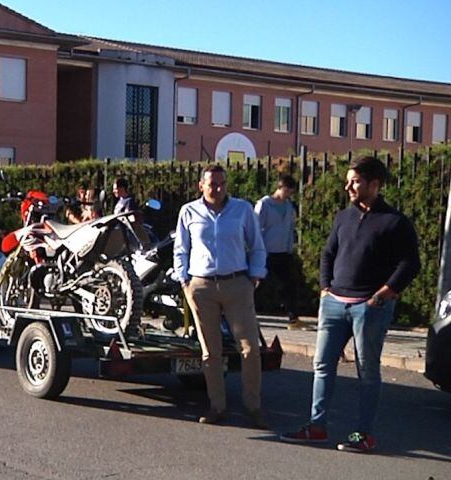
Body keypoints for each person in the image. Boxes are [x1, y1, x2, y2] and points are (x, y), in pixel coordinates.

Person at [280, 156, 420, 453]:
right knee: (322, 365)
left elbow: (410, 263)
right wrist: (324, 289)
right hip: (333, 304)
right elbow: (328, 253)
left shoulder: (395, 222)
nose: (348, 187)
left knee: (367, 370)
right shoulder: (343, 217)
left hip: (368, 307)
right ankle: (316, 427)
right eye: (348, 181)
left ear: (375, 184)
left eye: (355, 181)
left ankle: (363, 434)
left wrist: (383, 294)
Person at [174, 165, 268, 427]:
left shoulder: (242, 209)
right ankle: (217, 406)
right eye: (212, 184)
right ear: (201, 185)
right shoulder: (189, 211)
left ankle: (254, 406)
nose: (217, 188)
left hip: (237, 283)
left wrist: (255, 276)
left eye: (221, 184)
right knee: (210, 352)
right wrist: (184, 281)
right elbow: (181, 249)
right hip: (202, 287)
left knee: (250, 348)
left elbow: (257, 245)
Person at [255, 174, 303, 328]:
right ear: (280, 188)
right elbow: (256, 228)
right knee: (258, 285)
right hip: (266, 252)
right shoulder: (264, 204)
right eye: (287, 191)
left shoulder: (288, 206)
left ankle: (293, 318)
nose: (289, 195)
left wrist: (290, 248)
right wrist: (258, 250)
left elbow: (290, 229)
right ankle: (248, 314)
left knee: (290, 284)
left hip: (283, 252)